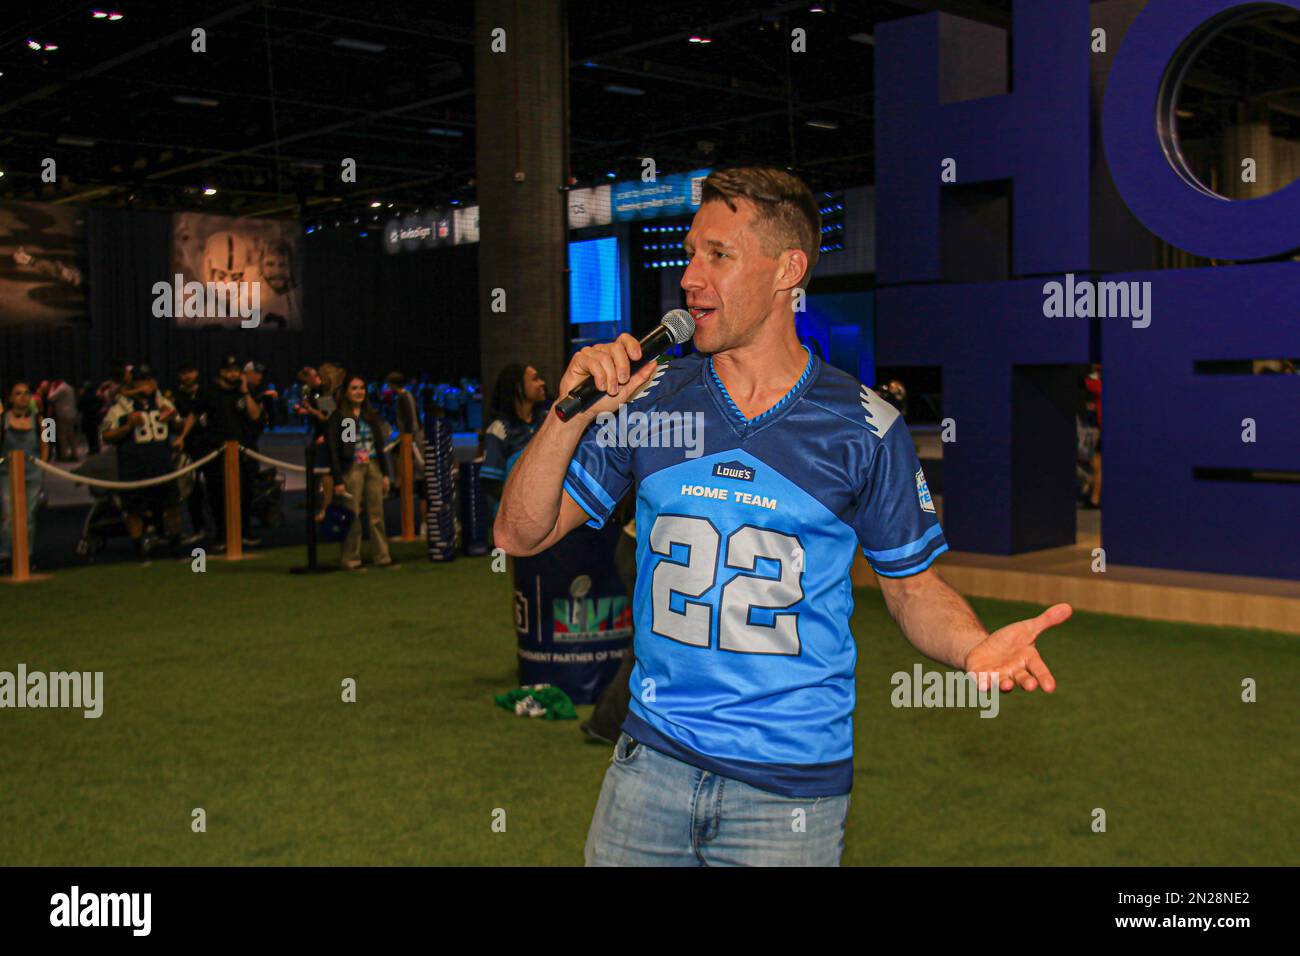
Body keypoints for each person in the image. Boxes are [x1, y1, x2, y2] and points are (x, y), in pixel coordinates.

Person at [494, 166, 1072, 867]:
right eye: (689, 254)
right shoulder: (650, 402)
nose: (689, 278)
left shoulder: (864, 427)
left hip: (788, 795)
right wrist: (571, 413)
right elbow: (518, 534)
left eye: (718, 255)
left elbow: (913, 589)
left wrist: (973, 647)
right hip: (648, 770)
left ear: (786, 271)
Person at [100, 366, 184, 564]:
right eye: (141, 381)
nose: (146, 385)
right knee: (134, 510)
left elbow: (179, 426)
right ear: (133, 383)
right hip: (134, 468)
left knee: (172, 507)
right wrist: (128, 425)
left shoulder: (163, 402)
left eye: (149, 380)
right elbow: (106, 435)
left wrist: (173, 419)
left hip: (162, 467)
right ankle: (138, 551)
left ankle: (176, 547)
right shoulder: (120, 408)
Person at [188, 355, 262, 550]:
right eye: (229, 370)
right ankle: (221, 535)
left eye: (236, 370)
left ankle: (244, 532)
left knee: (245, 494)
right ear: (221, 372)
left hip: (244, 451)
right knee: (217, 495)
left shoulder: (244, 392)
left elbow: (255, 415)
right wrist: (181, 437)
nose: (233, 374)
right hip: (216, 451)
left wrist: (245, 391)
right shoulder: (209, 392)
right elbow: (193, 414)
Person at [327, 375, 398, 571]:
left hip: (373, 465)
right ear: (346, 392)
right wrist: (338, 478)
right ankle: (351, 559)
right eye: (354, 388)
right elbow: (336, 449)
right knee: (353, 514)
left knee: (377, 513)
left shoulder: (370, 415)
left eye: (362, 388)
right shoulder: (342, 417)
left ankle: (382, 556)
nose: (359, 392)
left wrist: (385, 474)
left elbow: (380, 446)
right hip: (353, 468)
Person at [480, 364, 547, 517]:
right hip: (516, 517)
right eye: (535, 379)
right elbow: (491, 482)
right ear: (518, 387)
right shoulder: (500, 429)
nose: (542, 383)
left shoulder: (548, 421)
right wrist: (523, 501)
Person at [0, 381, 51, 571]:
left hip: (33, 471)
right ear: (11, 398)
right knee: (7, 515)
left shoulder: (44, 420)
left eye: (26, 393)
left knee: (29, 515)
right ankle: (5, 555)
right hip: (6, 471)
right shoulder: (2, 419)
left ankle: (27, 555)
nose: (23, 396)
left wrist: (43, 467)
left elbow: (49, 443)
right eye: (18, 393)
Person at [172, 363, 210, 544]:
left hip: (210, 446)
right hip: (187, 447)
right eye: (183, 372)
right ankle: (198, 528)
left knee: (215, 488)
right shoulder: (174, 395)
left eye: (190, 371)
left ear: (197, 372)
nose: (187, 376)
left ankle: (221, 530)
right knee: (191, 490)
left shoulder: (207, 391)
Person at [386, 371, 428, 535]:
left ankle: (404, 484)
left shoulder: (406, 396)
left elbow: (412, 418)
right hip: (405, 436)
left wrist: (409, 436)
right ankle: (400, 483)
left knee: (418, 464)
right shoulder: (401, 397)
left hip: (411, 437)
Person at [77, 381, 102, 456]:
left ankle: (92, 449)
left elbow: (79, 407)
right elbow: (101, 403)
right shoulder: (96, 396)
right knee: (95, 433)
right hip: (95, 416)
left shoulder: (83, 397)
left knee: (89, 435)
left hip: (87, 417)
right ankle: (96, 448)